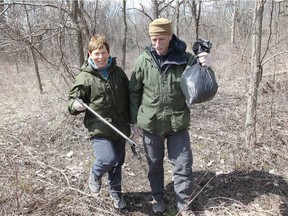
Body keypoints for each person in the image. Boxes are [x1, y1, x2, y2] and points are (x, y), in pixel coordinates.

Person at [129, 18, 211, 216]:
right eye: (154, 39)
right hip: (151, 123)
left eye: (162, 39)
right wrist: (133, 121)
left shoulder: (184, 59)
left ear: (170, 36)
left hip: (177, 123)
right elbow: (133, 92)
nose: (157, 44)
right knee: (154, 165)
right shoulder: (143, 61)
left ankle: (183, 205)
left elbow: (202, 83)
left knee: (183, 165)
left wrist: (205, 64)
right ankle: (157, 197)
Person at [67, 35, 130, 209]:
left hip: (120, 126)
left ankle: (116, 193)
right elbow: (71, 103)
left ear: (109, 53)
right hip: (99, 127)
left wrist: (135, 119)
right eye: (96, 53)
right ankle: (95, 174)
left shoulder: (118, 73)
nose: (100, 57)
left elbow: (130, 95)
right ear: (89, 54)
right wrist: (76, 105)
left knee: (118, 163)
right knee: (108, 159)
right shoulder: (84, 77)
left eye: (103, 53)